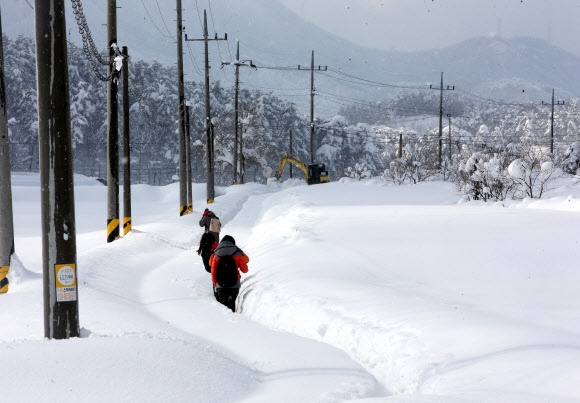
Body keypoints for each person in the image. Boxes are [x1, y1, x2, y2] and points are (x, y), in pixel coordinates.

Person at [209, 235, 249, 312]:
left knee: (223, 310)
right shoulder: (237, 252)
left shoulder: (216, 254)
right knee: (231, 306)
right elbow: (245, 270)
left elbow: (213, 273)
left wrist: (216, 285)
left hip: (221, 285)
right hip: (234, 284)